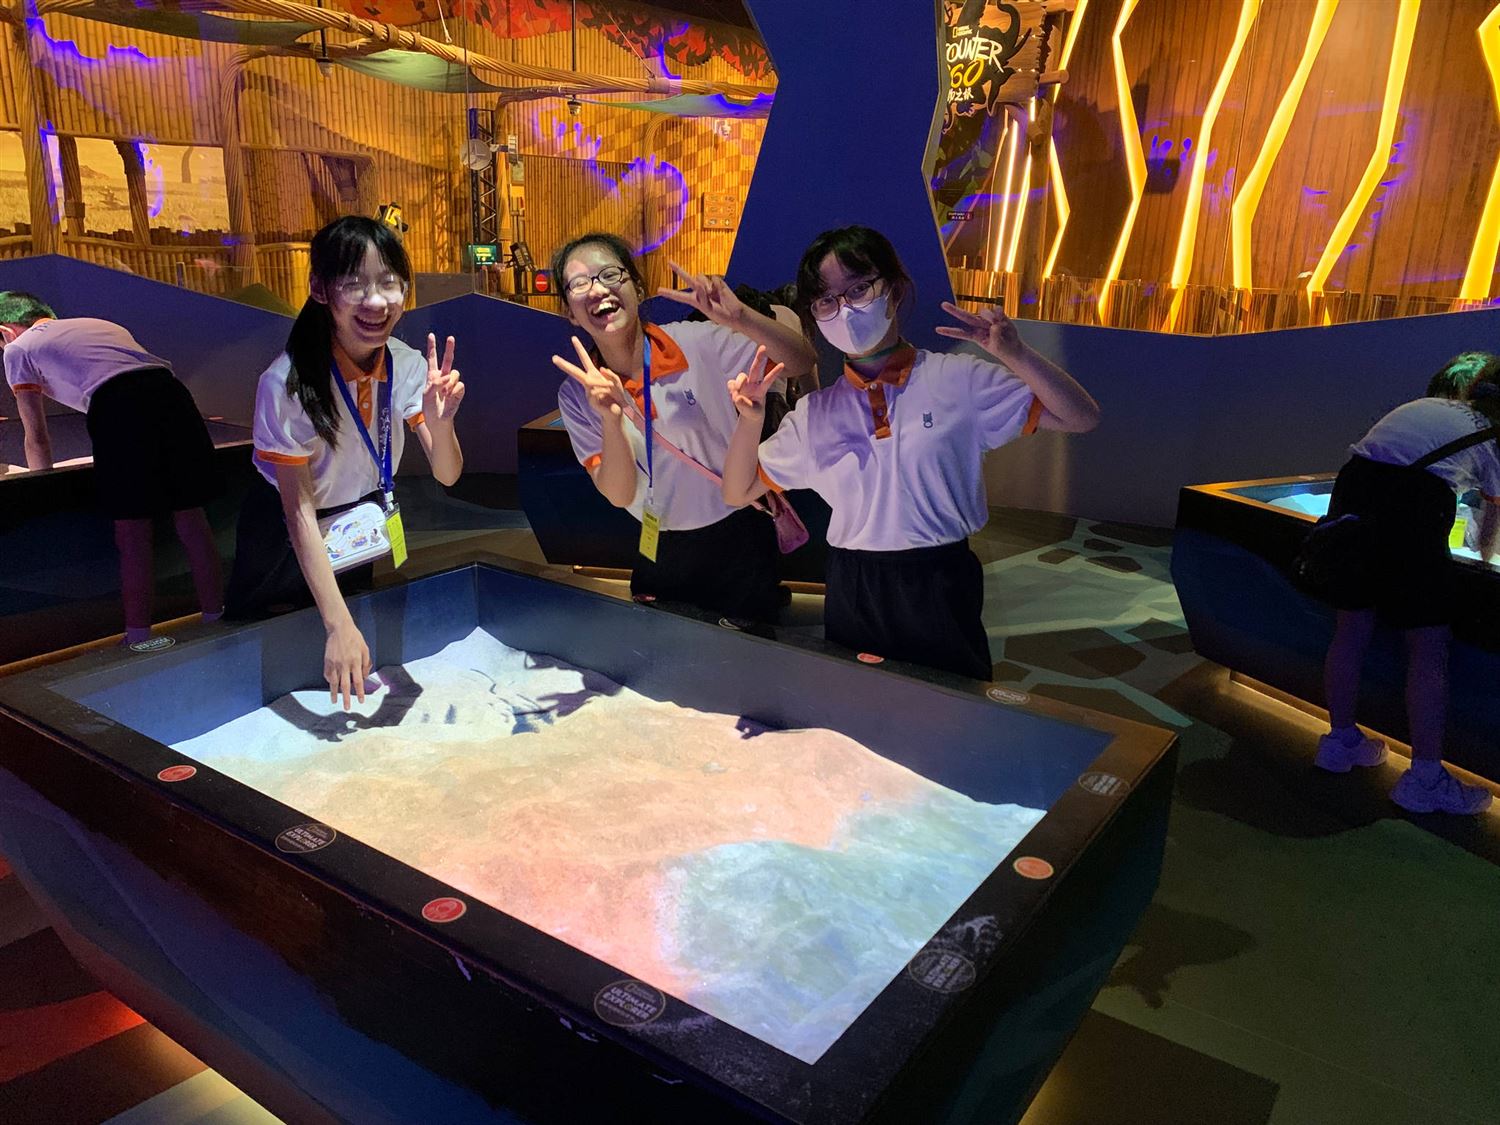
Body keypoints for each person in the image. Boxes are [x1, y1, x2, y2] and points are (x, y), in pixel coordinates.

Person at [720, 224, 1100, 679]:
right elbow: (737, 490)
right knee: (853, 703)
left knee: (951, 704)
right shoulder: (816, 414)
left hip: (937, 579)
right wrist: (750, 420)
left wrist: (1016, 353)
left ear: (895, 290)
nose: (845, 310)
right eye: (826, 301)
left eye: (859, 289)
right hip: (853, 584)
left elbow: (1080, 417)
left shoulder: (959, 380)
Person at [224, 215, 465, 710]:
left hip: (358, 522)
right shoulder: (285, 384)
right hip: (286, 534)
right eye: (353, 284)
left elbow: (447, 474)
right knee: (271, 664)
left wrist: (442, 426)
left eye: (389, 283)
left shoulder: (407, 364)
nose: (375, 301)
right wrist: (336, 625)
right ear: (320, 289)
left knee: (348, 661)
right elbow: (298, 513)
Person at [550, 232, 817, 623]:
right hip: (658, 543)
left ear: (637, 287)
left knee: (747, 653)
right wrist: (610, 418)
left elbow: (800, 360)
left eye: (609, 274)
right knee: (661, 653)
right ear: (570, 311)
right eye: (579, 283)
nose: (598, 289)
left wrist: (740, 318)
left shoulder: (696, 343)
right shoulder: (578, 393)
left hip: (735, 535)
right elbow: (620, 494)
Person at [1309, 377, 1500, 815]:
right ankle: (1425, 780)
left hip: (1353, 489)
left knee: (1351, 627)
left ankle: (1339, 742)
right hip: (1414, 508)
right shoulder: (1491, 440)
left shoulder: (1429, 406)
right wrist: (1484, 563)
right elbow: (1490, 527)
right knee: (1428, 647)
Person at [0, 293, 223, 644]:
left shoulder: (18, 349)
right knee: (191, 516)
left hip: (118, 405)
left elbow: (37, 435)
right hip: (173, 395)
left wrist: (42, 486)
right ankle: (216, 615)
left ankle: (138, 636)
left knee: (132, 529)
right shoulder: (99, 324)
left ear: (5, 331)